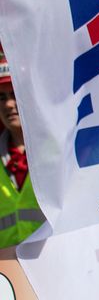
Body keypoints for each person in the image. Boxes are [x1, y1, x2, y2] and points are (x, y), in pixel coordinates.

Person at [0, 51, 44, 248]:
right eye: (1, 97)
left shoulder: (61, 152)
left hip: (56, 268)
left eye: (14, 94)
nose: (9, 104)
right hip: (8, 275)